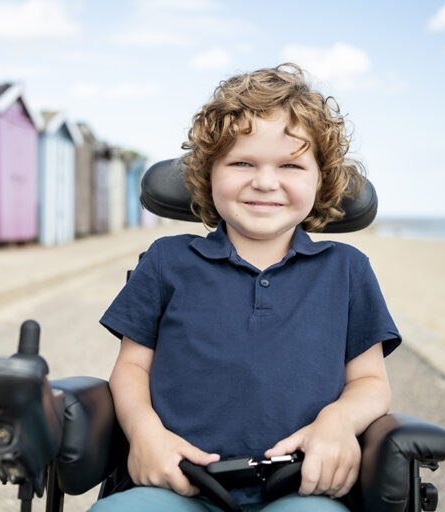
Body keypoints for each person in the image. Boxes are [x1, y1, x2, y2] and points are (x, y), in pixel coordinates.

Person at [91, 63, 401, 512]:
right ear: (208, 171)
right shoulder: (167, 261)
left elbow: (371, 382)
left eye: (291, 165)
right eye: (242, 162)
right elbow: (131, 369)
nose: (265, 182)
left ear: (322, 177)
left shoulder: (347, 270)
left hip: (301, 486)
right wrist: (145, 435)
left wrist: (337, 423)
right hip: (176, 482)